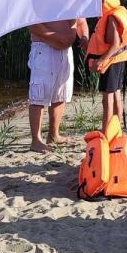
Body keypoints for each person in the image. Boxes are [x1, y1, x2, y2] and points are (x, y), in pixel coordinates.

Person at [28, 16, 89, 152]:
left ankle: (53, 134)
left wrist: (84, 37)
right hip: (43, 48)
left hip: (65, 52)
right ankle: (36, 140)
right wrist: (54, 37)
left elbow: (81, 21)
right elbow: (31, 23)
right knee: (39, 93)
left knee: (61, 92)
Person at [87, 0, 127, 134]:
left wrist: (101, 60)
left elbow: (114, 45)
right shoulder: (116, 12)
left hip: (112, 62)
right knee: (116, 94)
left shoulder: (111, 17)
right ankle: (116, 130)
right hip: (119, 59)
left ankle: (107, 131)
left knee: (108, 98)